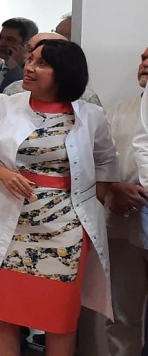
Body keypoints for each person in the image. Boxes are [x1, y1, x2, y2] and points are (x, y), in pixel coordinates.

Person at [0, 39, 118, 356]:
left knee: (58, 317)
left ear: (65, 72)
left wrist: (94, 201)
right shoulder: (4, 105)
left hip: (64, 230)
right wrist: (2, 173)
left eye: (42, 63)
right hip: (7, 226)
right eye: (30, 59)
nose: (30, 68)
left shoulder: (91, 115)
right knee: (3, 311)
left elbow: (106, 161)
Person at [103, 45, 148, 356]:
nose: (145, 63)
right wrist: (114, 189)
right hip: (122, 223)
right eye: (143, 58)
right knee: (121, 315)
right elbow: (97, 161)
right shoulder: (119, 110)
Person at [2, 32, 104, 107]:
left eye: (42, 62)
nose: (29, 66)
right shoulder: (13, 91)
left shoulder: (86, 100)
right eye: (30, 51)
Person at [0, 17, 38, 95]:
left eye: (10, 40)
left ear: (27, 45)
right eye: (1, 38)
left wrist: (14, 67)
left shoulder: (36, 74)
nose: (1, 44)